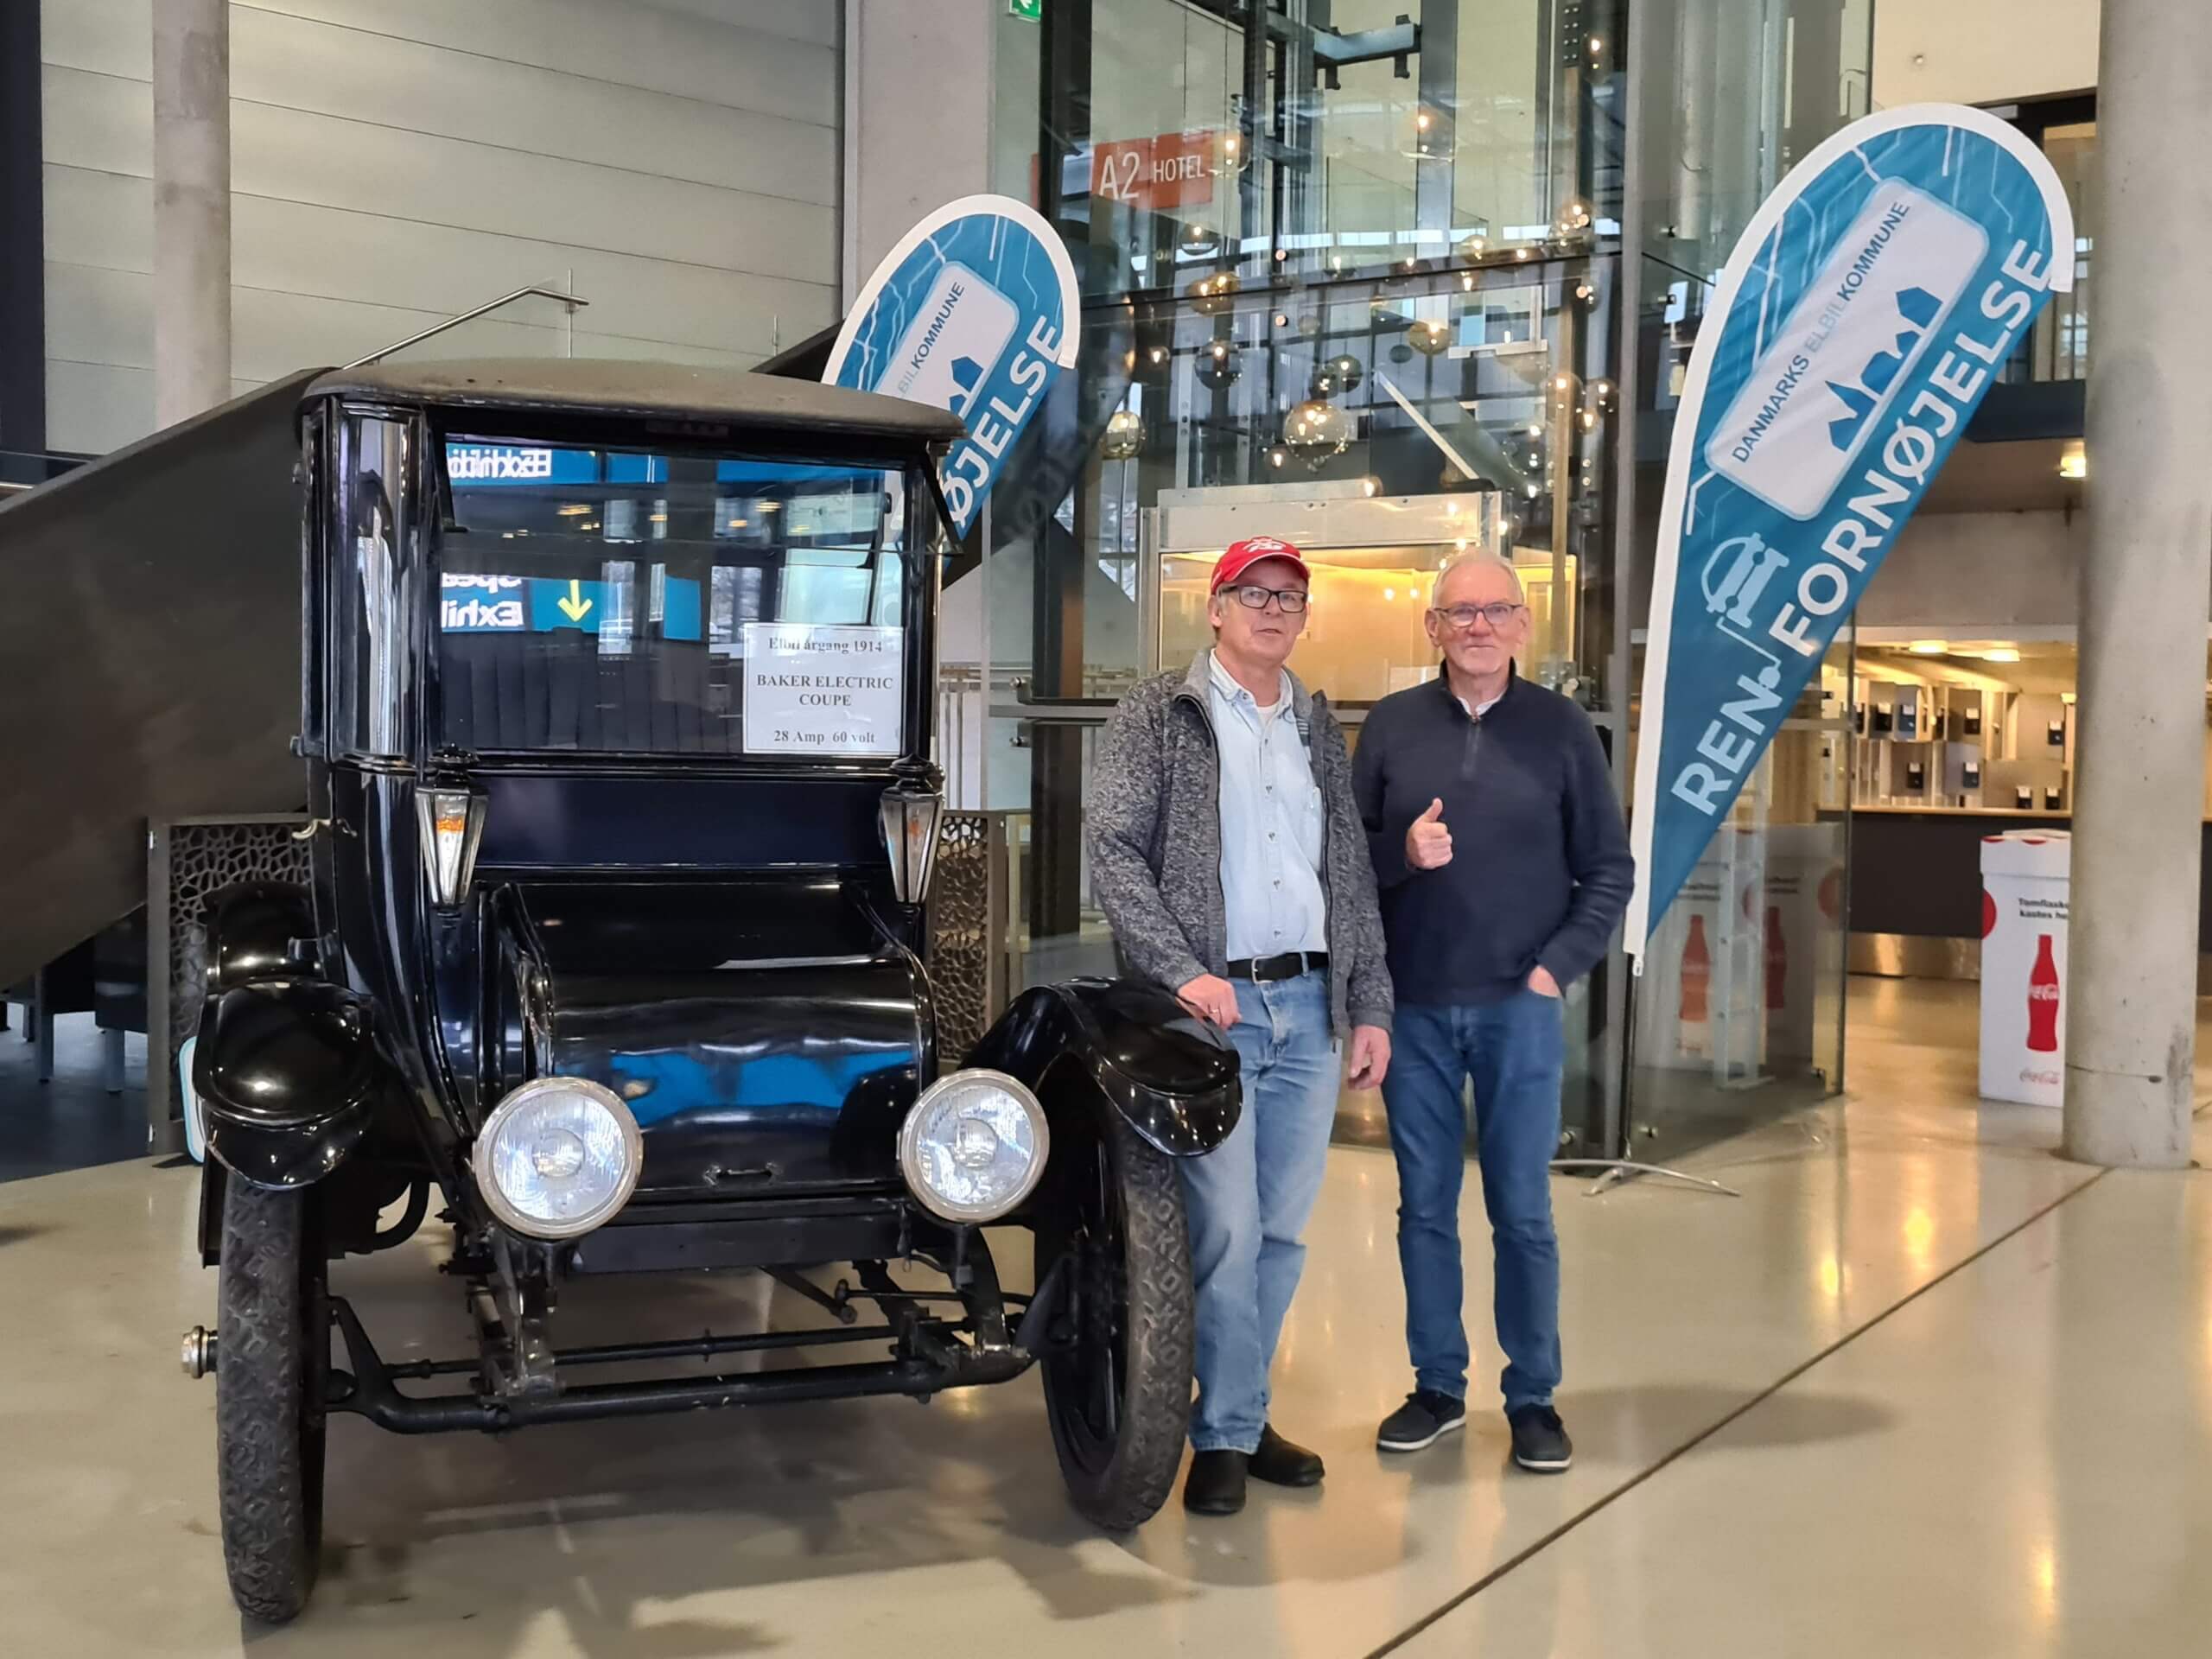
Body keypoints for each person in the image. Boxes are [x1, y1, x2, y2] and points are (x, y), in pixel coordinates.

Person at [1088, 534, 1394, 1517]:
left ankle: (1235, 1415)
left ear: (1304, 619)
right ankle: (1225, 1433)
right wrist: (1183, 972)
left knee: (1279, 1233)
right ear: (1214, 609)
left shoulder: (1314, 724)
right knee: (1222, 1228)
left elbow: (1347, 874)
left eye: (1289, 597)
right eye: (1252, 593)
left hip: (1308, 1006)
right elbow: (1113, 850)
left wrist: (1368, 1004)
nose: (1272, 610)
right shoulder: (1155, 713)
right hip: (1207, 1014)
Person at [1351, 551, 1632, 1474]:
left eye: (1496, 610)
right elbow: (1345, 864)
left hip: (1520, 1010)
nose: (1478, 626)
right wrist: (1402, 853)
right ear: (1432, 627)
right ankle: (1437, 1386)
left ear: (1523, 624)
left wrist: (1556, 970)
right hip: (1416, 1011)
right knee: (1424, 1210)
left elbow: (1608, 870)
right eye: (1460, 612)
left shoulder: (1563, 731)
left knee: (1523, 1212)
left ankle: (1533, 1397)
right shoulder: (1391, 727)